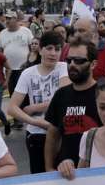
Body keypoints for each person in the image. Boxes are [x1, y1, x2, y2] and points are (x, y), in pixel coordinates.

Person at [6, 30, 69, 174]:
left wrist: (35, 107)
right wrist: (37, 122)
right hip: (36, 133)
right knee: (39, 176)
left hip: (61, 132)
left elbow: (63, 97)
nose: (53, 53)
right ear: (40, 50)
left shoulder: (64, 68)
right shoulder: (27, 73)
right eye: (49, 48)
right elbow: (12, 108)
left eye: (57, 49)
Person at [44, 39, 100, 175]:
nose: (72, 65)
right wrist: (49, 168)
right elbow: (52, 136)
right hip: (64, 173)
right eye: (69, 61)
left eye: (79, 61)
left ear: (93, 64)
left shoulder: (104, 94)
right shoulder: (61, 95)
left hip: (98, 172)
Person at [0, 12, 34, 96]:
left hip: (23, 69)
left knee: (23, 93)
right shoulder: (2, 33)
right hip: (8, 70)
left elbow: (33, 49)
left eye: (10, 18)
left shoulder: (26, 31)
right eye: (6, 18)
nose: (7, 21)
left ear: (16, 19)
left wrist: (28, 62)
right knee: (12, 92)